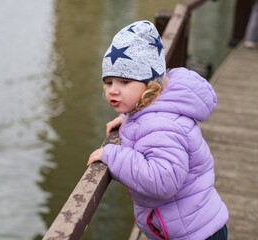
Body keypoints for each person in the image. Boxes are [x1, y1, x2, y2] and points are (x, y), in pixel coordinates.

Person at [87, 21, 229, 240]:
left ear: (150, 86)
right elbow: (147, 118)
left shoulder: (160, 125)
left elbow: (163, 180)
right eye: (109, 82)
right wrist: (127, 118)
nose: (112, 90)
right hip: (191, 223)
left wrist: (112, 155)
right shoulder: (153, 109)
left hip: (195, 233)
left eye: (124, 81)